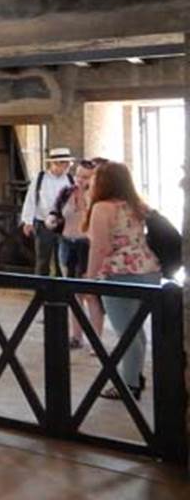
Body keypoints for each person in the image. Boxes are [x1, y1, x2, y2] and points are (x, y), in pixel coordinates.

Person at [83, 160, 161, 400]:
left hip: (120, 273)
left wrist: (89, 279)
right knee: (136, 331)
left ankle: (128, 385)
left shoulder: (102, 208)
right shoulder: (137, 205)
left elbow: (101, 247)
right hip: (149, 270)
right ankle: (135, 376)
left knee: (126, 333)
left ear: (102, 182)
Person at [47, 158, 104, 348]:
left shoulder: (99, 197)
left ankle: (96, 340)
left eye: (86, 177)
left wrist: (89, 194)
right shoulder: (66, 192)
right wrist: (51, 220)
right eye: (78, 175)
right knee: (73, 292)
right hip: (66, 243)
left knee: (91, 294)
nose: (80, 180)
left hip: (87, 245)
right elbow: (55, 211)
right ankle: (76, 336)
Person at [20, 147, 75, 275]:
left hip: (63, 224)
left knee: (62, 259)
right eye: (63, 163)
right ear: (54, 164)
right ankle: (41, 286)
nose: (66, 166)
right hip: (43, 223)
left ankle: (60, 286)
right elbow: (31, 199)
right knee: (42, 259)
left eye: (67, 163)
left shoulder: (70, 180)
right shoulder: (40, 179)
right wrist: (27, 221)